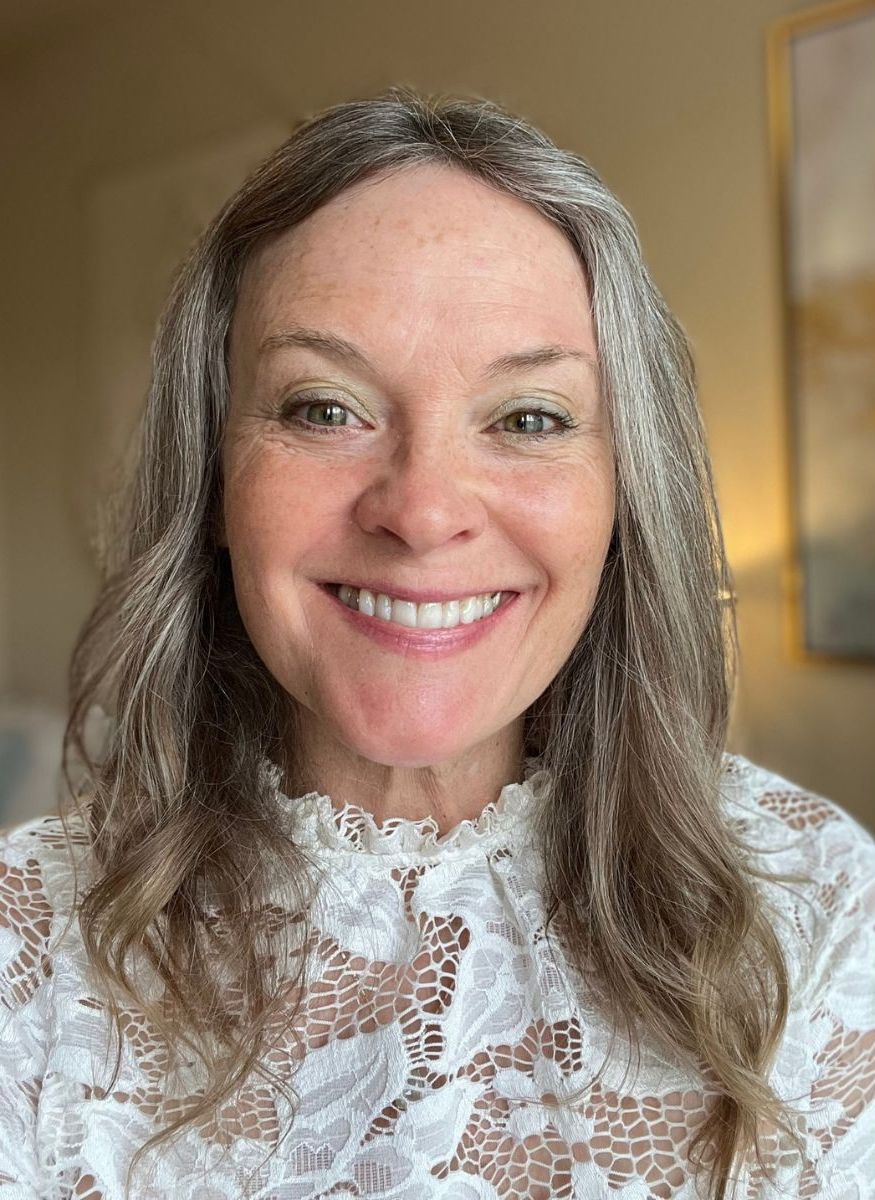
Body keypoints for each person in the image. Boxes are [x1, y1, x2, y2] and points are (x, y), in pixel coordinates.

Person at [0, 86, 873, 1200]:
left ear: (622, 494)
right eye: (324, 408)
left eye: (528, 418)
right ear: (214, 476)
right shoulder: (30, 945)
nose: (420, 511)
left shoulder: (817, 906)